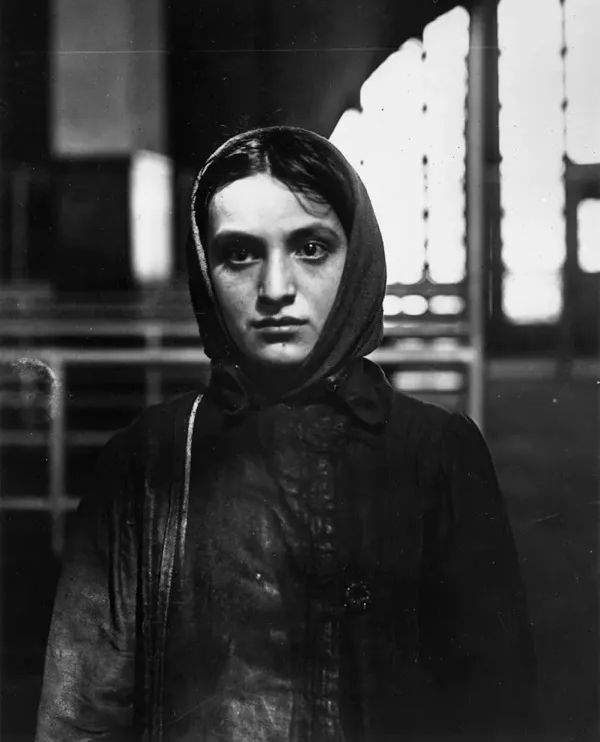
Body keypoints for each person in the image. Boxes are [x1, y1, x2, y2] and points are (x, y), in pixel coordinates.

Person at [36, 127, 537, 742]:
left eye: (311, 247)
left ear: (357, 260)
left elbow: (497, 712)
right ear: (205, 269)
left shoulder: (437, 453)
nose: (276, 291)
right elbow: (81, 719)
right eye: (240, 254)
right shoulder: (145, 460)